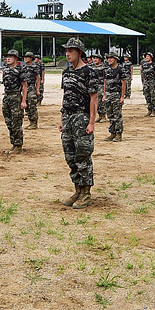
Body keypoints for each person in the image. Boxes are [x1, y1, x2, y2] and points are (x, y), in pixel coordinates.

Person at [58, 38, 97, 209]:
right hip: (68, 118)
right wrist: (61, 118)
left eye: (71, 51)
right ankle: (78, 190)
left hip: (82, 118)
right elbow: (65, 96)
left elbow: (93, 97)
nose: (67, 54)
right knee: (70, 156)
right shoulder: (66, 72)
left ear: (79, 52)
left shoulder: (89, 72)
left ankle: (86, 193)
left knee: (83, 155)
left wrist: (91, 122)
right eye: (66, 51)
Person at [1, 50, 26, 154]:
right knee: (9, 122)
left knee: (16, 122)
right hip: (7, 97)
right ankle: (14, 144)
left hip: (16, 97)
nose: (8, 58)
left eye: (11, 57)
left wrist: (23, 101)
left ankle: (18, 145)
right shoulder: (6, 70)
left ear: (16, 58)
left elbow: (24, 85)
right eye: (7, 56)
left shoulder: (20, 70)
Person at [102, 51, 125, 142]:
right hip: (108, 94)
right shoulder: (107, 70)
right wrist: (104, 95)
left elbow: (123, 83)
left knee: (117, 115)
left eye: (111, 58)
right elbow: (105, 83)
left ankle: (119, 134)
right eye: (108, 58)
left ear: (115, 59)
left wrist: (122, 96)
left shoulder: (120, 69)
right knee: (110, 114)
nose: (109, 60)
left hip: (116, 94)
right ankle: (112, 133)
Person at [22, 50, 40, 130]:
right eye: (25, 57)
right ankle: (30, 122)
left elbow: (38, 78)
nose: (25, 59)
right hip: (25, 88)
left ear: (31, 58)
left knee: (32, 105)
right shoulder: (24, 68)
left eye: (27, 57)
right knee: (27, 106)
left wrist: (37, 89)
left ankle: (34, 123)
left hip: (31, 87)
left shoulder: (35, 67)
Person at [141, 51, 155, 116]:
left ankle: (154, 110)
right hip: (146, 82)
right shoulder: (144, 65)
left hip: (152, 82)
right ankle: (149, 109)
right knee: (147, 96)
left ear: (151, 57)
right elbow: (143, 74)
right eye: (146, 56)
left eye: (148, 56)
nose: (147, 57)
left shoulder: (154, 65)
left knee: (153, 97)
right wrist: (143, 83)